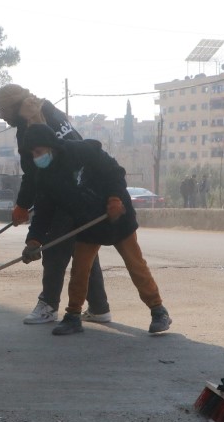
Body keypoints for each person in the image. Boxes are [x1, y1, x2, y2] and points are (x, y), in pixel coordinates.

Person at [20, 117, 171, 336]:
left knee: (135, 265)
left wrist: (115, 199)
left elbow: (115, 173)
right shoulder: (45, 177)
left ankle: (159, 311)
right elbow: (43, 212)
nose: (37, 157)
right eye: (32, 154)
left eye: (39, 151)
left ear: (51, 146)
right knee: (81, 270)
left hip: (116, 215)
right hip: (86, 223)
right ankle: (73, 316)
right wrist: (33, 240)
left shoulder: (82, 151)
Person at [0, 84, 110, 325]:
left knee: (55, 250)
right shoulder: (48, 109)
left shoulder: (31, 126)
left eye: (3, 110)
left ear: (16, 107)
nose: (1, 116)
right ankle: (99, 307)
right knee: (83, 249)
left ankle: (48, 305)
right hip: (87, 188)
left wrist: (23, 206)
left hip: (67, 193)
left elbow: (35, 172)